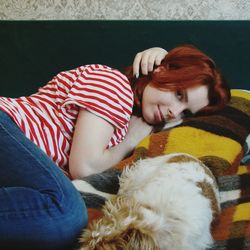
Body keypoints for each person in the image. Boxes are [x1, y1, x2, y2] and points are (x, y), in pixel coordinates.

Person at [0, 45, 230, 249]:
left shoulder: (130, 122)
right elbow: (85, 167)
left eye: (186, 113)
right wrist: (129, 140)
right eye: (179, 94)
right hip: (7, 123)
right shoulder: (114, 84)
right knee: (66, 214)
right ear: (161, 70)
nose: (174, 113)